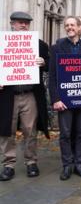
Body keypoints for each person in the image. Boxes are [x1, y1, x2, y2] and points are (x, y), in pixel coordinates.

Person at [48, 16, 81, 180]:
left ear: (79, 28)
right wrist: (56, 99)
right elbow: (53, 77)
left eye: (72, 25)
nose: (69, 27)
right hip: (64, 100)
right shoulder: (56, 48)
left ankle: (79, 164)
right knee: (65, 134)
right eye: (67, 25)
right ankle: (67, 165)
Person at [0, 11, 50, 181]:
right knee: (7, 130)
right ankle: (8, 164)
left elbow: (50, 66)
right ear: (12, 24)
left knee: (31, 130)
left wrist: (44, 62)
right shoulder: (2, 43)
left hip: (30, 94)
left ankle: (31, 162)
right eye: (20, 22)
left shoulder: (39, 45)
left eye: (26, 23)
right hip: (8, 95)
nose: (24, 25)